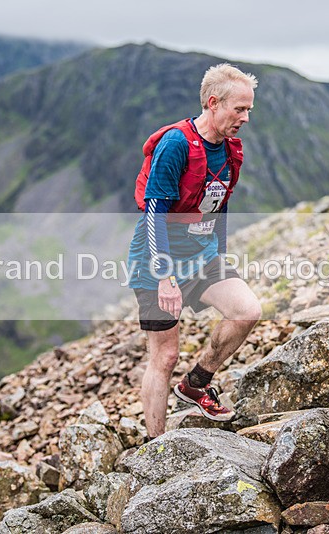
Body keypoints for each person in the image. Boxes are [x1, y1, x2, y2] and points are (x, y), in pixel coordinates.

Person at [127, 63, 262, 439]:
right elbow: (154, 214)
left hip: (202, 258)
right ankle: (155, 446)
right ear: (213, 103)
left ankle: (197, 383)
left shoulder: (231, 150)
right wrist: (165, 277)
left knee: (247, 311)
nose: (246, 118)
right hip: (157, 261)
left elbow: (220, 206)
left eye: (249, 109)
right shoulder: (176, 145)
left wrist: (219, 252)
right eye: (240, 109)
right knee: (164, 356)